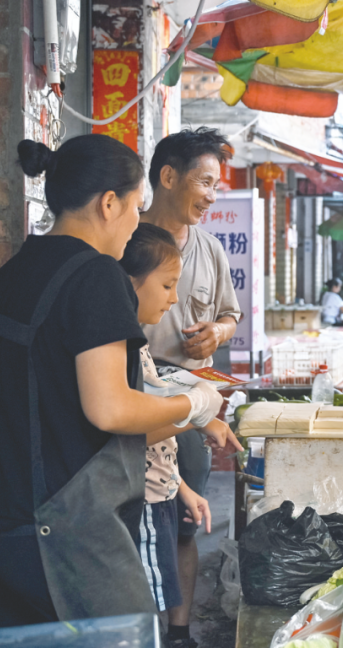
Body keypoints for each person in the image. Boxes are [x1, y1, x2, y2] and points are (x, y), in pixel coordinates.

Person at [0, 136, 226, 631]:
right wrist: (194, 405)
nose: (136, 224)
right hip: (63, 529)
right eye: (135, 207)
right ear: (108, 204)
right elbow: (111, 409)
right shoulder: (97, 274)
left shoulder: (16, 270)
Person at [140, 127, 243, 648]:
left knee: (185, 518)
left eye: (217, 186)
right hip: (131, 402)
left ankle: (178, 632)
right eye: (205, 182)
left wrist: (217, 334)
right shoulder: (127, 245)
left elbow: (230, 315)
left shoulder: (211, 251)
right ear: (167, 177)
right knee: (134, 516)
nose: (211, 195)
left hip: (189, 408)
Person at [119, 224, 242, 617]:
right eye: (168, 286)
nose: (174, 300)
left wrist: (181, 486)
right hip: (141, 502)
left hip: (159, 492)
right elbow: (135, 433)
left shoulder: (134, 345)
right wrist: (199, 410)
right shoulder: (122, 348)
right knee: (144, 613)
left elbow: (156, 446)